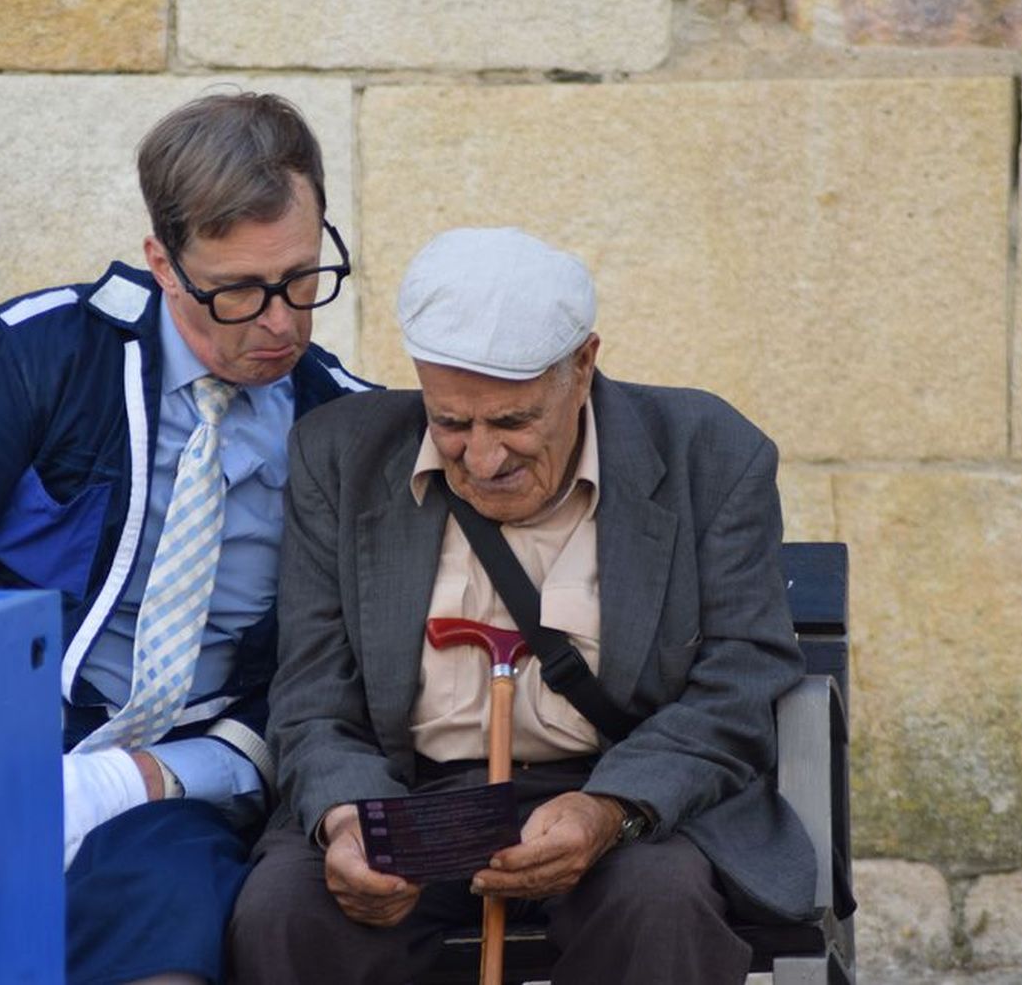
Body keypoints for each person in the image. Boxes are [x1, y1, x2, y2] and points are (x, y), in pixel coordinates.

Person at [0, 92, 373, 985]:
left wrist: (151, 776)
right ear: (163, 263)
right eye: (238, 291)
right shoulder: (32, 358)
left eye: (303, 278)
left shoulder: (343, 427)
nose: (282, 322)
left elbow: (334, 679)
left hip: (181, 789)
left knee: (168, 929)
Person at [228, 227, 816, 985]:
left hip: (619, 796)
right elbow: (312, 696)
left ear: (584, 363)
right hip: (408, 795)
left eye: (513, 421)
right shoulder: (338, 456)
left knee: (657, 904)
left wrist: (610, 808)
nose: (482, 458)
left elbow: (741, 679)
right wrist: (350, 818)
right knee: (286, 911)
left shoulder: (709, 452)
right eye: (450, 423)